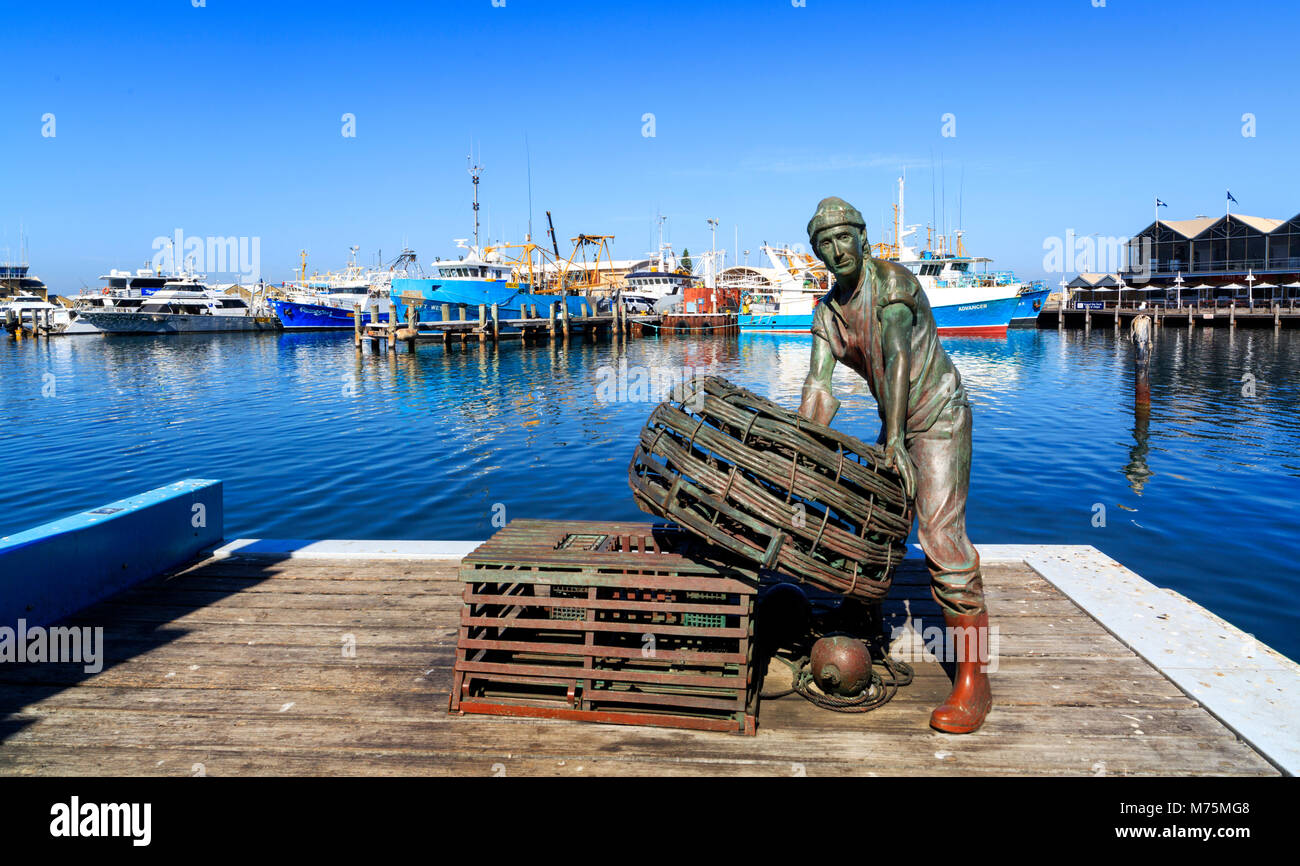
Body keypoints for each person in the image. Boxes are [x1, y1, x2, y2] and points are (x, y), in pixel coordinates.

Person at [798, 196, 991, 733]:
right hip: (898, 424)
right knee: (873, 522)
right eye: (824, 244)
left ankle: (975, 681)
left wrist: (899, 437)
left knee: (942, 541)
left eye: (844, 238)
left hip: (937, 417)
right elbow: (818, 386)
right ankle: (862, 614)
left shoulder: (894, 285)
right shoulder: (826, 315)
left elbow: (898, 353)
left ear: (863, 237)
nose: (837, 250)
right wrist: (802, 452)